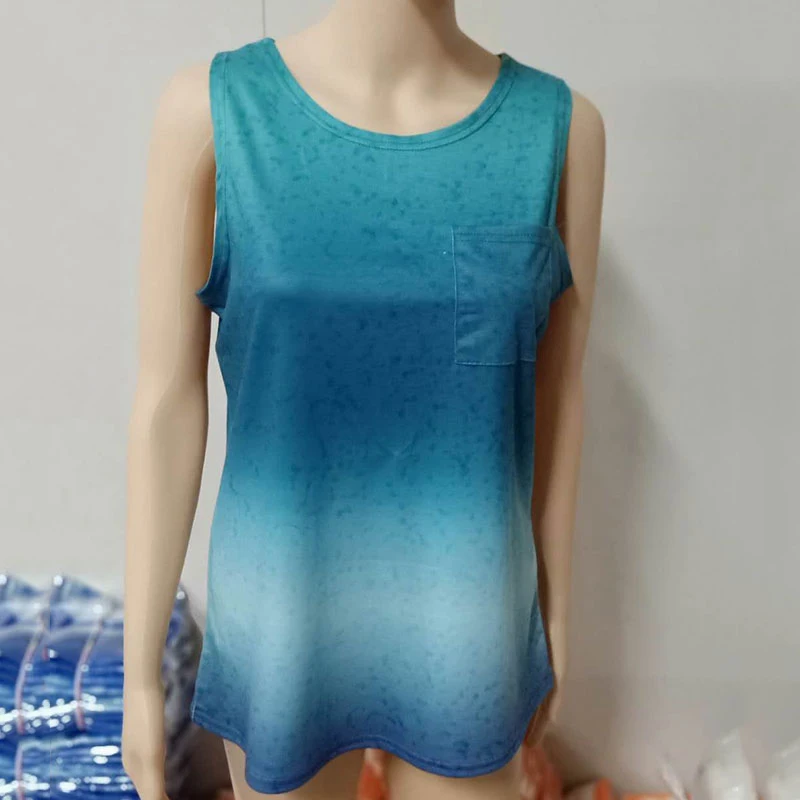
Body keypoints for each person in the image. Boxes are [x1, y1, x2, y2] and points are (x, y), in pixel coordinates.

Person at [122, 2, 605, 799]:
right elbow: (166, 401)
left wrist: (554, 614)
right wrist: (140, 675)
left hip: (469, 621)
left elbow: (559, 392)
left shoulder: (560, 131)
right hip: (282, 618)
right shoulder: (214, 112)